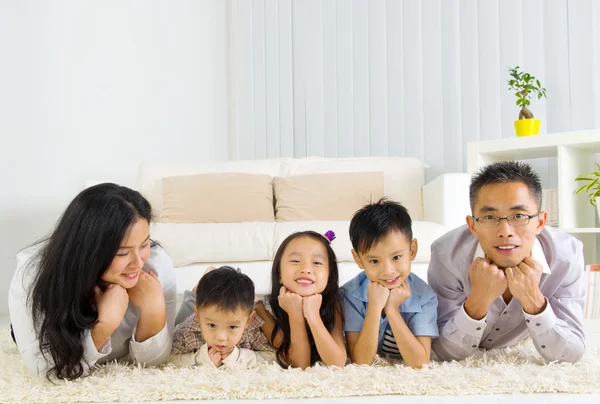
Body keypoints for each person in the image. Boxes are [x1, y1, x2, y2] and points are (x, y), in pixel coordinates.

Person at [8, 183, 177, 380]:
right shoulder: (32, 274)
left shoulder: (156, 264)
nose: (138, 262)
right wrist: (104, 324)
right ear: (88, 251)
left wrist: (153, 308)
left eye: (145, 244)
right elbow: (48, 371)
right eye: (122, 253)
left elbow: (154, 364)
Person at [428, 161, 586, 363]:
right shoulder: (446, 255)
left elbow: (571, 353)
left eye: (519, 215)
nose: (505, 231)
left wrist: (534, 301)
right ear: (472, 226)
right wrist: (477, 301)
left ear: (540, 222)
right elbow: (442, 352)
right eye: (490, 217)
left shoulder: (567, 257)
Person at [341, 199, 439, 368]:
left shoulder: (425, 297)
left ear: (412, 250)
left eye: (396, 257)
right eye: (374, 261)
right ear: (358, 259)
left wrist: (392, 310)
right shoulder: (349, 295)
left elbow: (420, 362)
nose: (388, 271)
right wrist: (374, 306)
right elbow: (361, 361)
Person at [259, 230, 346, 369]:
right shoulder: (263, 309)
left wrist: (313, 316)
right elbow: (300, 364)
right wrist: (295, 314)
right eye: (295, 261)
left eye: (317, 262)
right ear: (279, 274)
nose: (305, 269)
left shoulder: (334, 303)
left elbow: (338, 363)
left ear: (329, 277)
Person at [169, 266, 275, 368]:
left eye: (232, 327)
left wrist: (238, 356)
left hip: (214, 314)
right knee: (188, 307)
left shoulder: (253, 330)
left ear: (248, 320)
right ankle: (196, 291)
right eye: (211, 325)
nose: (221, 337)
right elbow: (169, 359)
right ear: (198, 316)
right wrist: (200, 358)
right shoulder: (187, 330)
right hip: (192, 315)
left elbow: (274, 356)